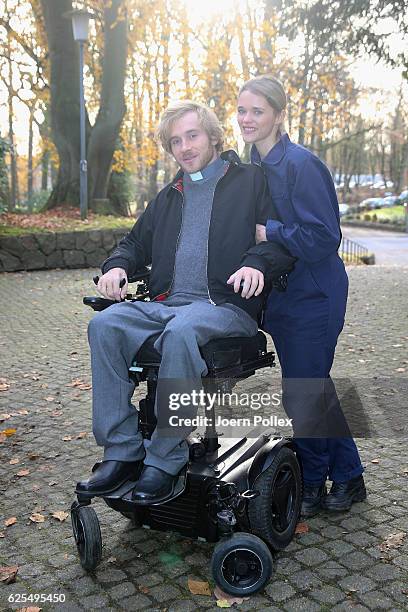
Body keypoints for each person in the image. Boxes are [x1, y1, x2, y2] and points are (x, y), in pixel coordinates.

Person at [77, 100, 295, 505]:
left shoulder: (250, 181)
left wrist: (255, 265)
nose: (185, 147)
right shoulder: (170, 195)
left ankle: (165, 457)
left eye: (192, 135)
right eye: (176, 141)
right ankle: (122, 451)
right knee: (104, 325)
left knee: (180, 333)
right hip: (167, 304)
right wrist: (117, 266)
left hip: (225, 307)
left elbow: (277, 240)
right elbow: (134, 243)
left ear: (212, 136)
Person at [236, 75, 366, 517]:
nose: (247, 119)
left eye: (257, 110)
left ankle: (313, 481)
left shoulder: (301, 164)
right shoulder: (253, 170)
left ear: (277, 114)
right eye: (242, 110)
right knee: (313, 389)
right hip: (284, 300)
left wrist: (271, 230)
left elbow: (325, 238)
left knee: (304, 392)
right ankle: (349, 475)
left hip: (316, 294)